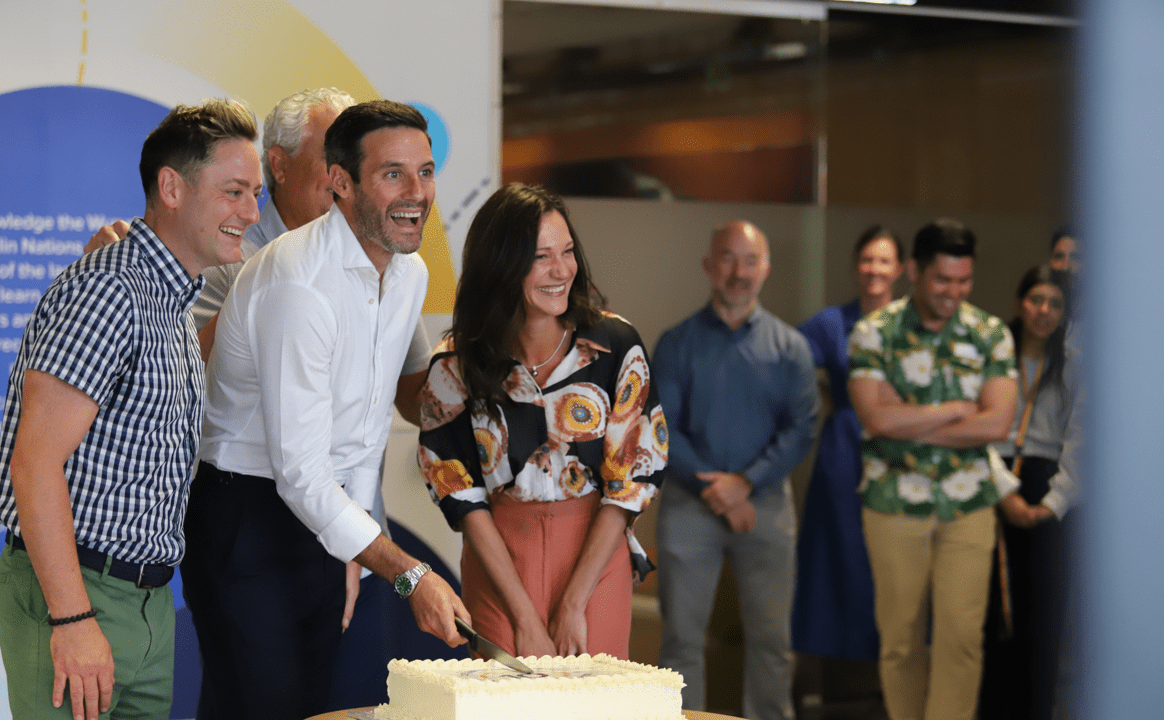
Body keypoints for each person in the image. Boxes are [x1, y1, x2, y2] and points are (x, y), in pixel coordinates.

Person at [87, 87, 433, 632]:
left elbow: (387, 417)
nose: (348, 172)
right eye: (338, 155)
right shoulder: (231, 258)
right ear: (284, 165)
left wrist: (359, 542)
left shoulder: (398, 268)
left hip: (354, 532)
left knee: (348, 683)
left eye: (421, 171)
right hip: (249, 525)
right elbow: (174, 388)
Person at [182, 100, 468, 720]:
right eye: (393, 174)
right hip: (246, 514)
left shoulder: (410, 274)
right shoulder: (296, 280)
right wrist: (404, 571)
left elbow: (364, 436)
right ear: (341, 181)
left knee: (308, 708)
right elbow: (301, 474)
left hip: (323, 513)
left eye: (425, 172)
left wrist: (352, 548)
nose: (416, 193)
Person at [0, 98, 263, 720]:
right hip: (79, 595)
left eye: (255, 194)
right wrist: (73, 618)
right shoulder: (110, 289)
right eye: (234, 192)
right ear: (171, 187)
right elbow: (34, 464)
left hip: (147, 602)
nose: (250, 212)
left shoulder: (172, 301)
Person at [417, 183, 666, 659]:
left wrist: (573, 604)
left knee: (596, 696)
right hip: (501, 564)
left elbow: (631, 481)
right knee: (504, 695)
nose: (562, 270)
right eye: (541, 257)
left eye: (567, 251)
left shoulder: (616, 345)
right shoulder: (455, 364)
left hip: (595, 557)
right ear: (501, 265)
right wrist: (524, 618)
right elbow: (461, 497)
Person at [848, 217, 1020, 720]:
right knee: (900, 639)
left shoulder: (990, 333)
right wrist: (958, 410)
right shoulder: (874, 332)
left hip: (969, 504)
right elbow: (875, 418)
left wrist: (910, 421)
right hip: (894, 501)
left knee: (961, 639)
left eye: (964, 281)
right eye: (943, 280)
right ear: (915, 272)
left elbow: (997, 423)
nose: (954, 292)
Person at [653, 220, 820, 720]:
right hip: (689, 505)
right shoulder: (676, 343)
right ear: (709, 265)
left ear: (765, 269)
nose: (738, 272)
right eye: (727, 258)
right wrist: (719, 492)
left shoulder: (790, 347)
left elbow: (802, 429)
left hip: (764, 505)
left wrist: (745, 484)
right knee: (681, 640)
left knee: (772, 642)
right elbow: (661, 429)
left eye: (750, 261)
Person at [792, 226, 905, 662]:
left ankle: (895, 663)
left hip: (902, 450)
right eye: (868, 259)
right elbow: (786, 361)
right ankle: (837, 664)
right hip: (845, 449)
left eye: (884, 260)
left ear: (900, 269)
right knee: (840, 551)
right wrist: (825, 397)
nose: (875, 268)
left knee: (898, 556)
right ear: (857, 266)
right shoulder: (832, 322)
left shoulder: (913, 324)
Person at [979, 266, 1078, 720]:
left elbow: (1083, 439)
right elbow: (975, 428)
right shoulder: (992, 353)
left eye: (1055, 304)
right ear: (1020, 302)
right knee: (991, 614)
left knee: (1043, 616)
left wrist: (1052, 504)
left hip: (1047, 490)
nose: (1044, 311)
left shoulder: (1074, 363)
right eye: (1036, 300)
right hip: (992, 481)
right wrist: (1004, 493)